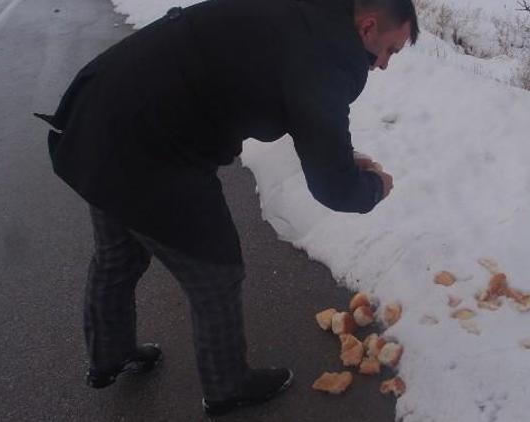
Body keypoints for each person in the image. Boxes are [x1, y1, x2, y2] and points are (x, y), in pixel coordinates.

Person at [35, 0, 419, 416]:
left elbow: (304, 112)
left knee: (118, 255)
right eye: (390, 51)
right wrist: (372, 188)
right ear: (367, 26)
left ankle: (108, 356)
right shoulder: (326, 57)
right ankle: (227, 385)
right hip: (154, 147)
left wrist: (343, 161)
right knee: (216, 272)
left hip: (104, 107)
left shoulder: (306, 15)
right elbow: (333, 186)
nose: (384, 65)